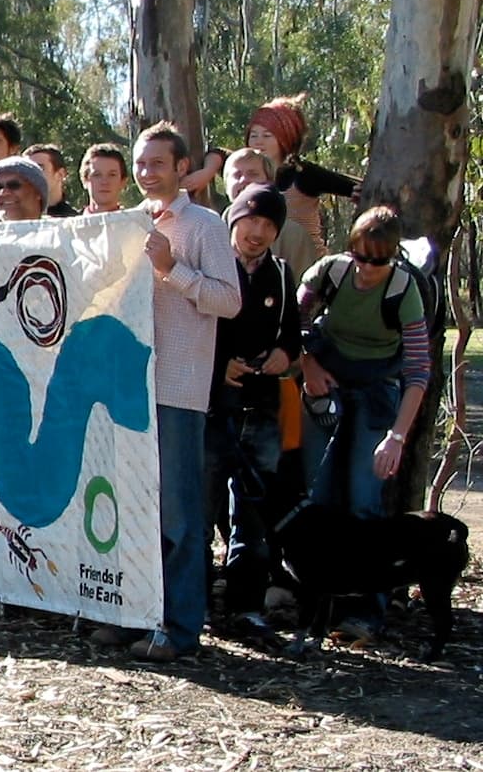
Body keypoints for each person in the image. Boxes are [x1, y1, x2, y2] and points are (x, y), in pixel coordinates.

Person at [89, 122, 241, 662]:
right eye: (141, 163)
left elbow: (228, 301)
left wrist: (171, 268)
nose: (147, 172)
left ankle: (179, 627)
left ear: (183, 168)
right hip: (125, 387)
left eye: (158, 163)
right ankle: (135, 614)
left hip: (177, 386)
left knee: (177, 513)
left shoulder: (205, 225)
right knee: (131, 510)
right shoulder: (126, 224)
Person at [294, 206, 432, 643]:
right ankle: (313, 606)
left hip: (377, 392)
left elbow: (417, 370)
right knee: (317, 497)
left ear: (393, 257)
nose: (368, 269)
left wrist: (396, 437)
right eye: (361, 257)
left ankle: (366, 610)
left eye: (380, 260)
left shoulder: (402, 289)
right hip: (326, 383)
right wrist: (308, 366)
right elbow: (291, 321)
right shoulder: (329, 273)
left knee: (363, 499)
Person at [203, 186, 301, 634]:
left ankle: (244, 605)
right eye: (250, 221)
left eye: (268, 225)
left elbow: (292, 337)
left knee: (253, 514)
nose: (257, 233)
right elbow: (189, 324)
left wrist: (283, 355)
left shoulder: (281, 275)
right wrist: (219, 363)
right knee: (200, 508)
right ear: (233, 219)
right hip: (209, 405)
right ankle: (196, 602)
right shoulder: (211, 264)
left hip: (262, 407)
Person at [250, 96, 357, 280]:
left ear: (286, 137)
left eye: (267, 136)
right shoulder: (243, 171)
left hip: (306, 268)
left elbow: (354, 186)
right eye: (253, 135)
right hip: (264, 268)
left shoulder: (304, 174)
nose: (258, 142)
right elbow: (219, 153)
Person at [23, 144, 79, 217]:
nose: (31, 175)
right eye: (26, 171)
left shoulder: (74, 222)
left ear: (60, 174)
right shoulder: (13, 220)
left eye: (39, 169)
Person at [81, 144, 131, 214]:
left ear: (123, 182)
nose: (104, 182)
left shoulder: (137, 223)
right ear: (85, 181)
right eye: (97, 175)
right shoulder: (69, 224)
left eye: (112, 175)